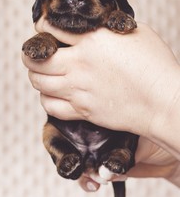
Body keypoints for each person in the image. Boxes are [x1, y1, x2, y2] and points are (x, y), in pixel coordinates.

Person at [22, 18, 180, 191]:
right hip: (69, 135)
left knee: (126, 135)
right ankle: (66, 157)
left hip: (115, 136)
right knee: (51, 134)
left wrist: (168, 104)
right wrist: (173, 168)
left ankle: (121, 152)